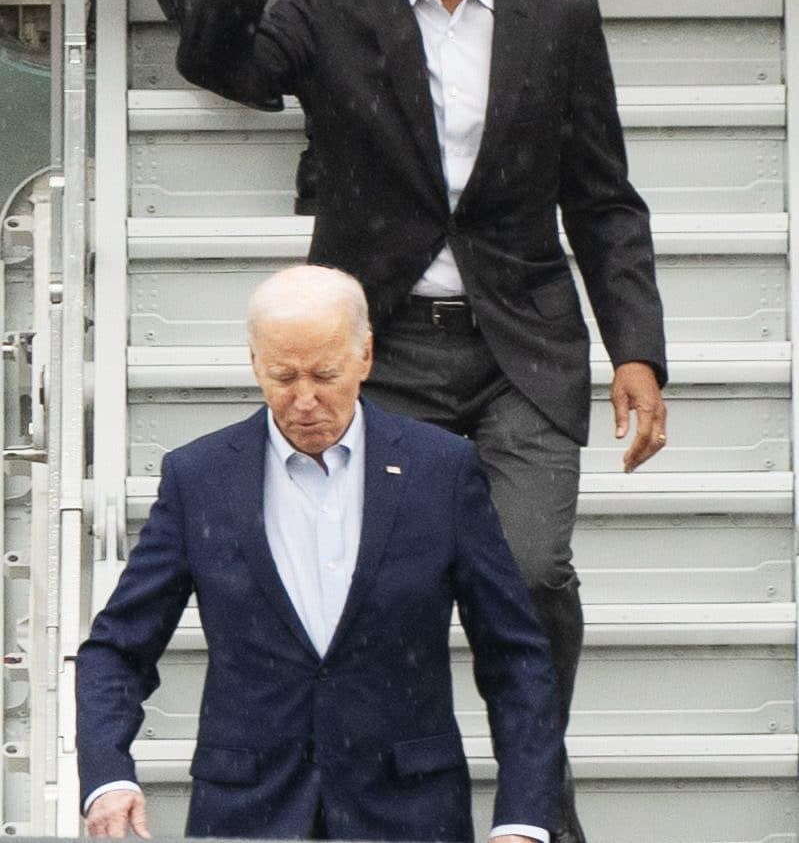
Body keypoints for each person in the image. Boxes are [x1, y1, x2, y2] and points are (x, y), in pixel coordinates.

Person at [176, 0, 669, 843]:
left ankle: (537, 806)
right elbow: (218, 65)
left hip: (518, 346)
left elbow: (603, 196)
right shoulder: (329, 4)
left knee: (530, 573)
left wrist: (636, 346)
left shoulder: (559, 12)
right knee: (373, 598)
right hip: (378, 354)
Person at [77, 265, 562, 842]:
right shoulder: (199, 477)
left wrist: (524, 818)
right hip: (249, 812)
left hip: (408, 812)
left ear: (366, 356)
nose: (304, 400)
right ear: (254, 362)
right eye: (283, 375)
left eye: (325, 374)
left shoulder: (441, 471)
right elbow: (117, 649)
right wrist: (108, 775)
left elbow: (517, 658)